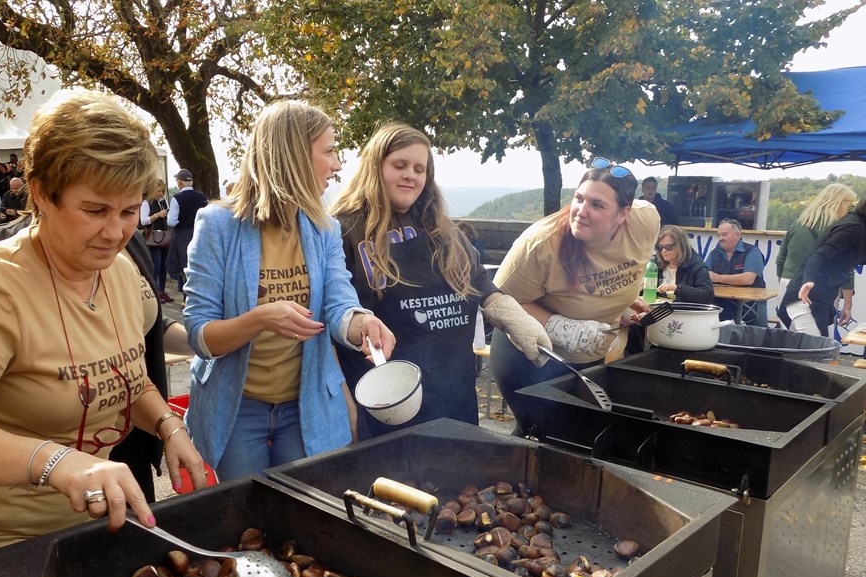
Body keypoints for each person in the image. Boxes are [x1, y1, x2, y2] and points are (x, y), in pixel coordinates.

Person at [0, 90, 207, 577]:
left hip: (86, 523)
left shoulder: (120, 271)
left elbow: (127, 377)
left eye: (130, 210)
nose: (115, 231)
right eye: (95, 210)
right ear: (41, 194)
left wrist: (167, 428)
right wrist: (57, 462)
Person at [182, 100, 395, 480]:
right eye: (329, 151)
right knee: (250, 518)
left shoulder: (324, 227)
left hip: (306, 403)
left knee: (306, 509)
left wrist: (362, 322)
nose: (337, 164)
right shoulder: (217, 224)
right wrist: (260, 319)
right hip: (237, 407)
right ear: (293, 154)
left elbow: (339, 304)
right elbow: (200, 336)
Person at [330, 123, 551, 439]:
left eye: (420, 169)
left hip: (454, 394)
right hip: (386, 404)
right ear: (374, 167)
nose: (411, 175)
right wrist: (344, 405)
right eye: (400, 165)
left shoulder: (444, 231)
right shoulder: (344, 232)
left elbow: (480, 282)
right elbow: (333, 314)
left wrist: (516, 320)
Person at [490, 158, 659, 432]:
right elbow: (497, 301)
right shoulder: (540, 244)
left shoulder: (646, 220)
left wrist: (621, 302)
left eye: (597, 205)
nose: (581, 211)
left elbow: (628, 266)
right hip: (532, 355)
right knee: (540, 432)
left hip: (590, 353)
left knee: (575, 435)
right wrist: (561, 327)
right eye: (579, 198)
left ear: (623, 214)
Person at [779, 196, 866, 337]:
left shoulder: (856, 222)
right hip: (806, 299)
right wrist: (809, 281)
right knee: (815, 352)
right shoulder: (854, 228)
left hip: (819, 297)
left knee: (808, 352)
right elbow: (819, 255)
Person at [706, 218, 767, 325]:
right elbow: (704, 274)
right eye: (718, 235)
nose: (720, 238)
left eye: (724, 235)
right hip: (721, 301)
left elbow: (748, 279)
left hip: (747, 304)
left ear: (737, 235)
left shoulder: (752, 252)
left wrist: (718, 278)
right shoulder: (714, 253)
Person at [166, 169, 208, 301]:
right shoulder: (202, 197)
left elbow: (171, 221)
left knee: (185, 268)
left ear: (180, 183)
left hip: (183, 236)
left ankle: (188, 300)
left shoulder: (177, 198)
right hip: (200, 234)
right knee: (199, 268)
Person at [655, 225, 715, 304]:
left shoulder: (696, 265)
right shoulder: (655, 263)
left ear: (680, 246)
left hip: (682, 311)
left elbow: (707, 296)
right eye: (660, 247)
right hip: (656, 308)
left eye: (668, 247)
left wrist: (677, 288)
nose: (663, 251)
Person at [141, 181, 173, 303]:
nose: (160, 194)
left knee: (164, 265)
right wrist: (157, 215)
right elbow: (143, 221)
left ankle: (161, 291)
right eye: (158, 191)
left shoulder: (164, 202)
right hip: (153, 236)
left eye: (162, 191)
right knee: (156, 265)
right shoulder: (146, 203)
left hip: (164, 234)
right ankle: (154, 292)